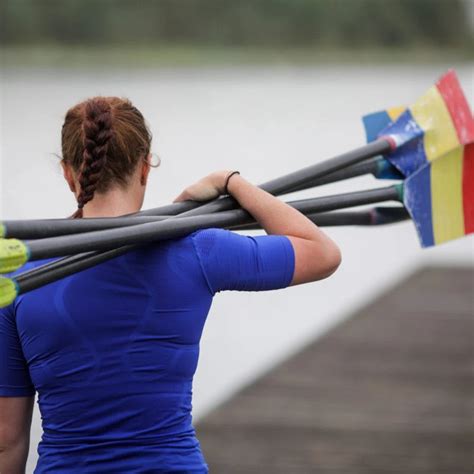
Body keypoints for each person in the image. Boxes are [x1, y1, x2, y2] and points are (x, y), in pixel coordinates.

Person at [0, 97, 341, 473]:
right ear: (146, 167)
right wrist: (231, 181)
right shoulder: (200, 250)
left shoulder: (20, 279)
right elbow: (322, 252)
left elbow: (7, 441)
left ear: (68, 173)